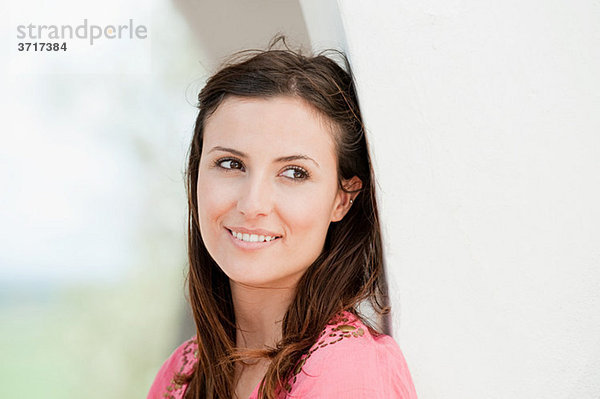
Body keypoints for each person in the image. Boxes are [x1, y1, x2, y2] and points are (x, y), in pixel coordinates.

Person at [147, 36, 418, 399]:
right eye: (230, 164)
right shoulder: (183, 372)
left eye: (294, 173)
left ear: (343, 197)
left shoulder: (347, 372)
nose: (252, 203)